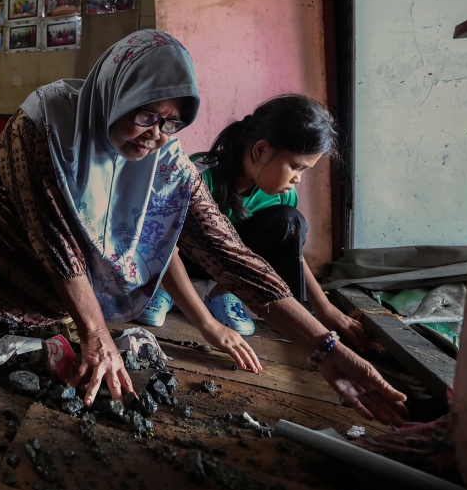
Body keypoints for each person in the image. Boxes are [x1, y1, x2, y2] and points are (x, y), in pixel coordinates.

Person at [0, 30, 406, 425]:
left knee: (78, 297)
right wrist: (98, 338)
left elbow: (230, 254)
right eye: (147, 115)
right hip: (11, 229)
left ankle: (43, 316)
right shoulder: (48, 119)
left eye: (174, 122)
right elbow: (53, 235)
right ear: (117, 93)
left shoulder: (169, 165)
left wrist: (327, 350)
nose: (158, 135)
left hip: (66, 277)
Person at [137, 95, 367, 348]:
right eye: (295, 167)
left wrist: (323, 308)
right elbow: (162, 248)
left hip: (229, 269)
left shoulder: (283, 195)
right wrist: (207, 324)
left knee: (289, 222)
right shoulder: (199, 176)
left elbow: (292, 253)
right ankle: (166, 290)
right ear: (261, 150)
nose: (298, 179)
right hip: (173, 259)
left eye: (304, 171)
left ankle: (222, 295)